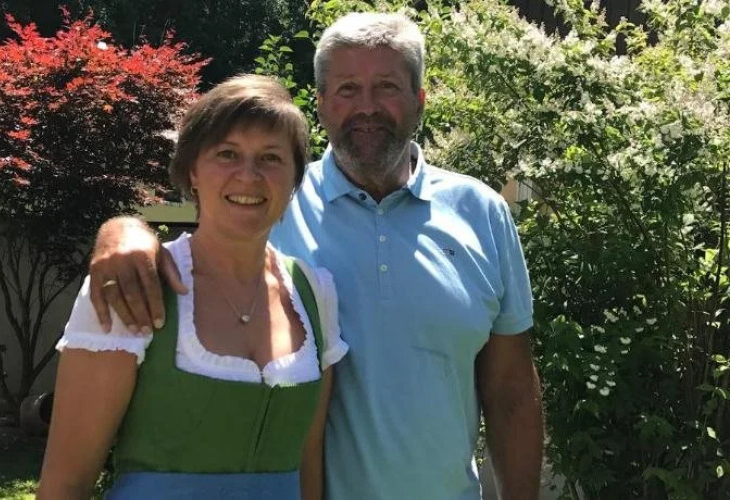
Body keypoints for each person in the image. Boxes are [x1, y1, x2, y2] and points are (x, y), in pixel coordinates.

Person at [87, 12, 544, 500]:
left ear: (420, 99)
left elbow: (511, 391)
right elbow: (201, 246)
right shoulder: (274, 198)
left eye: (387, 86)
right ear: (321, 103)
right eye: (347, 89)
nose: (366, 107)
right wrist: (123, 231)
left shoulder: (481, 212)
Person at [37, 74, 348, 499]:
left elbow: (309, 466)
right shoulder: (133, 283)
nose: (249, 175)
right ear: (192, 171)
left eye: (271, 158)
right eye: (227, 154)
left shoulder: (315, 294)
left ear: (295, 178)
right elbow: (65, 485)